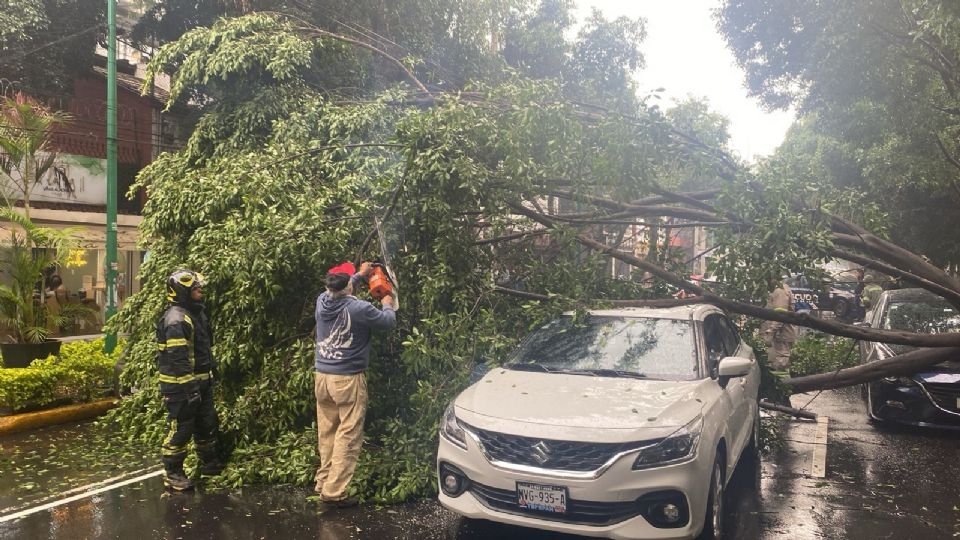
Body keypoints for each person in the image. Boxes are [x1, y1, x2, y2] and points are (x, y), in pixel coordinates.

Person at [314, 261, 396, 508]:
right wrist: (387, 303)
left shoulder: (321, 301)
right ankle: (335, 492)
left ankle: (324, 481)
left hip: (322, 377)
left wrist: (360, 275)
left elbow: (345, 285)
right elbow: (387, 322)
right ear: (348, 286)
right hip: (347, 379)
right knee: (348, 434)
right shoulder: (360, 308)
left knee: (327, 432)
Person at [157, 269, 224, 491]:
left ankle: (209, 464)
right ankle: (173, 473)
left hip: (200, 383)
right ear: (182, 291)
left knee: (206, 423)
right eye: (195, 288)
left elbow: (203, 349)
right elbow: (179, 359)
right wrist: (189, 388)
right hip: (180, 388)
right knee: (182, 429)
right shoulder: (176, 320)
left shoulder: (196, 314)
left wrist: (211, 373)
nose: (200, 290)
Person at [760, 279, 797, 377]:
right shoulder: (780, 290)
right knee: (776, 364)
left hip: (780, 336)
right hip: (779, 336)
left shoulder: (780, 291)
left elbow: (780, 315)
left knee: (780, 365)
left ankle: (782, 388)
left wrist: (770, 331)